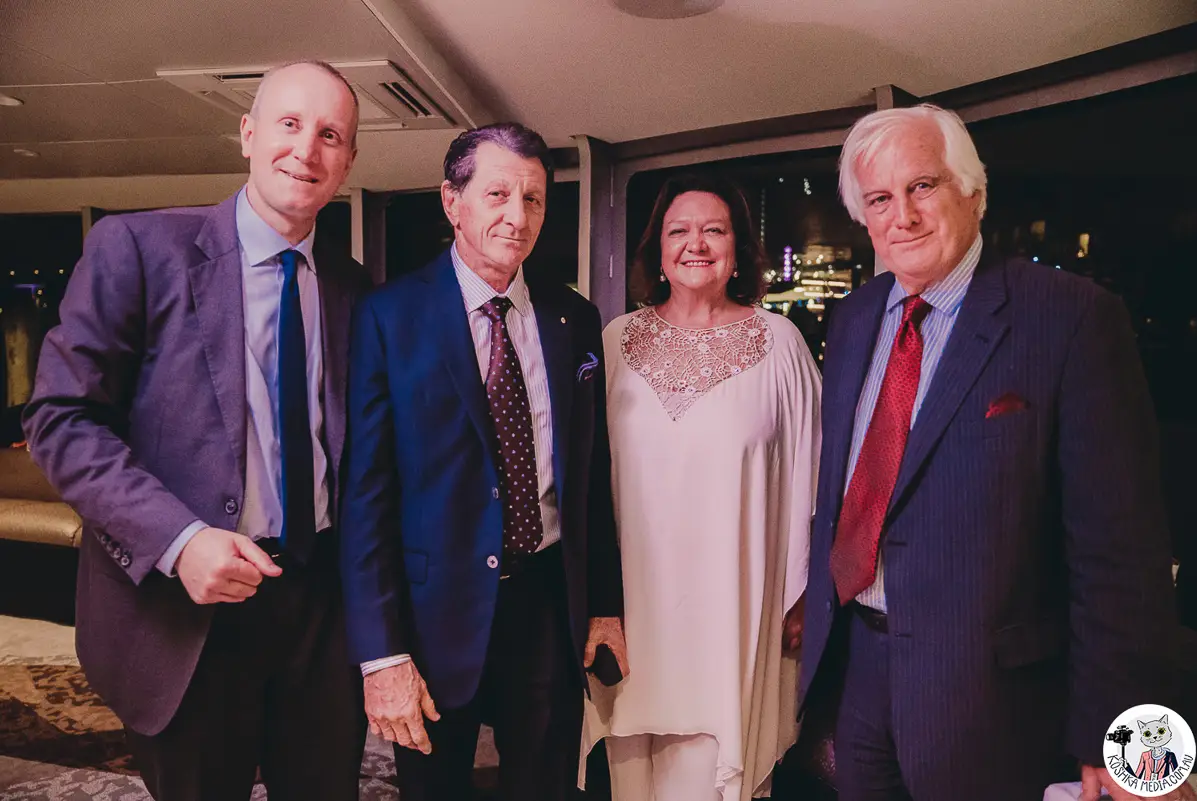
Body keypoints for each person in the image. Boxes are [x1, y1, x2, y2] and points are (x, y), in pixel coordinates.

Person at [798, 103, 1189, 801]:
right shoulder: (854, 318)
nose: (902, 216)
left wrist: (1134, 742)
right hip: (857, 675)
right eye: (879, 199)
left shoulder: (1071, 316)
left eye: (922, 186)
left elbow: (1121, 551)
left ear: (973, 192)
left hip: (995, 704)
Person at [21, 61, 369, 801]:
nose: (306, 149)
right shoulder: (138, 249)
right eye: (289, 124)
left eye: (330, 134)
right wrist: (179, 540)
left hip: (318, 613)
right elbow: (60, 419)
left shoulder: (353, 288)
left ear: (347, 161)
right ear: (247, 134)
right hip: (184, 612)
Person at [340, 122, 627, 801]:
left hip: (546, 606)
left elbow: (591, 478)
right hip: (433, 613)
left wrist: (604, 605)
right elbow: (366, 496)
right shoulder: (390, 315)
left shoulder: (573, 318)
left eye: (533, 198)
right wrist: (382, 653)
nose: (516, 216)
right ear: (453, 202)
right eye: (497, 194)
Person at [580, 174, 821, 801]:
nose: (697, 243)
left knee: (712, 775)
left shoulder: (781, 345)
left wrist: (804, 593)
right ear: (657, 251)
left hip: (731, 610)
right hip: (634, 614)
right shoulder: (614, 342)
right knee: (631, 777)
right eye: (679, 231)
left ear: (738, 251)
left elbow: (815, 476)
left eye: (714, 230)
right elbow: (583, 477)